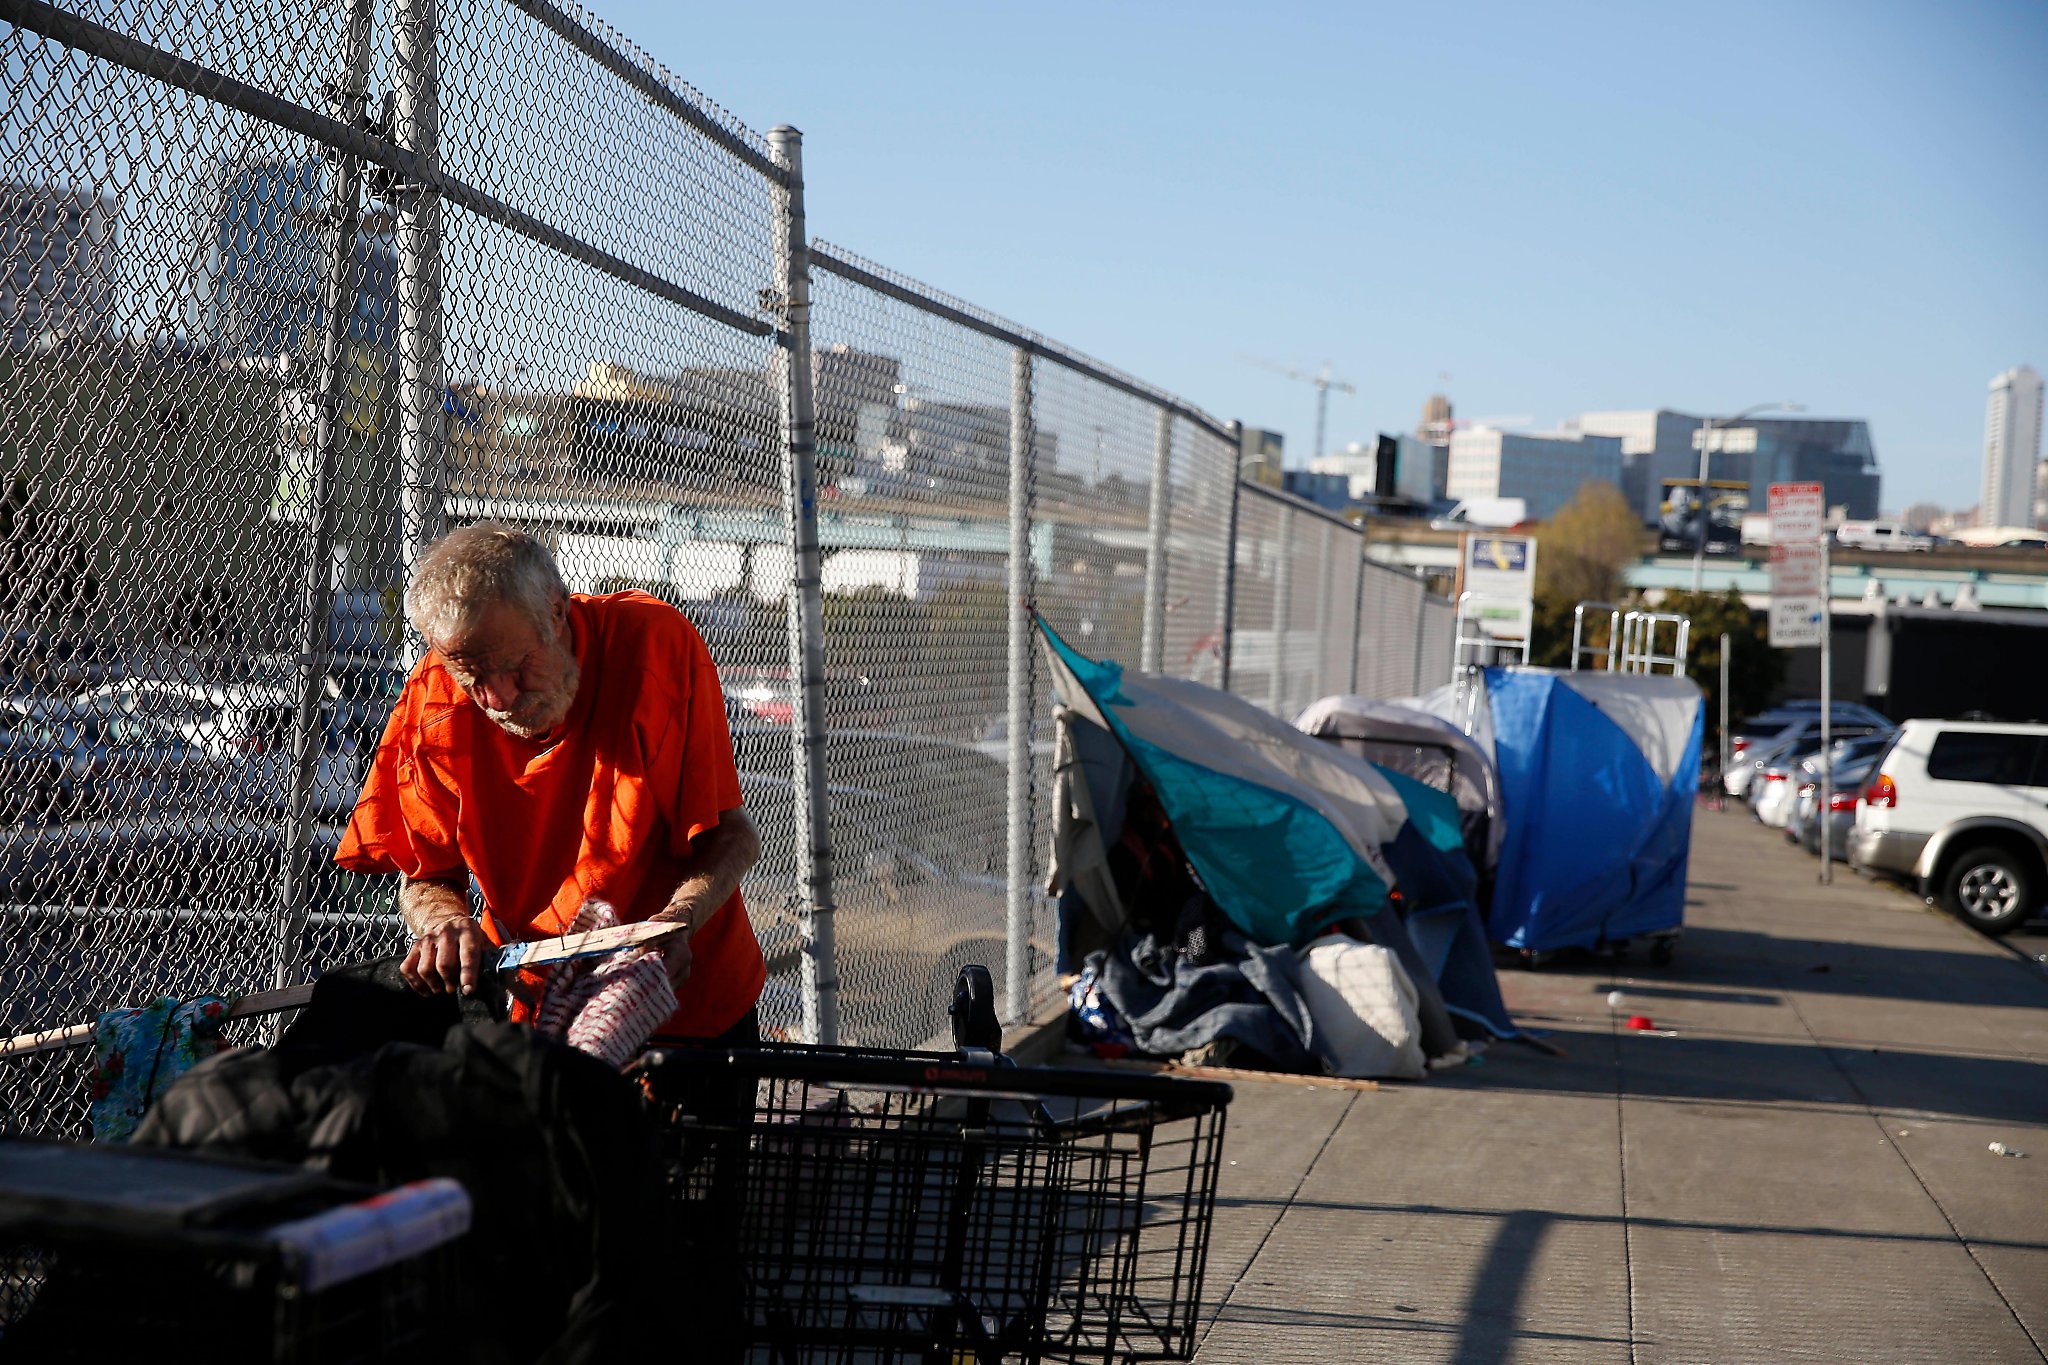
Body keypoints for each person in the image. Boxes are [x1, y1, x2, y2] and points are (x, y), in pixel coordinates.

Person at [335, 522, 765, 1049]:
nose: (499, 699)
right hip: (546, 1013)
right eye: (474, 680)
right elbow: (426, 875)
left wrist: (678, 921)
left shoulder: (650, 645)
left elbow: (730, 834)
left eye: (516, 667)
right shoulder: (434, 699)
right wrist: (445, 924)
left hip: (686, 1000)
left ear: (557, 612)